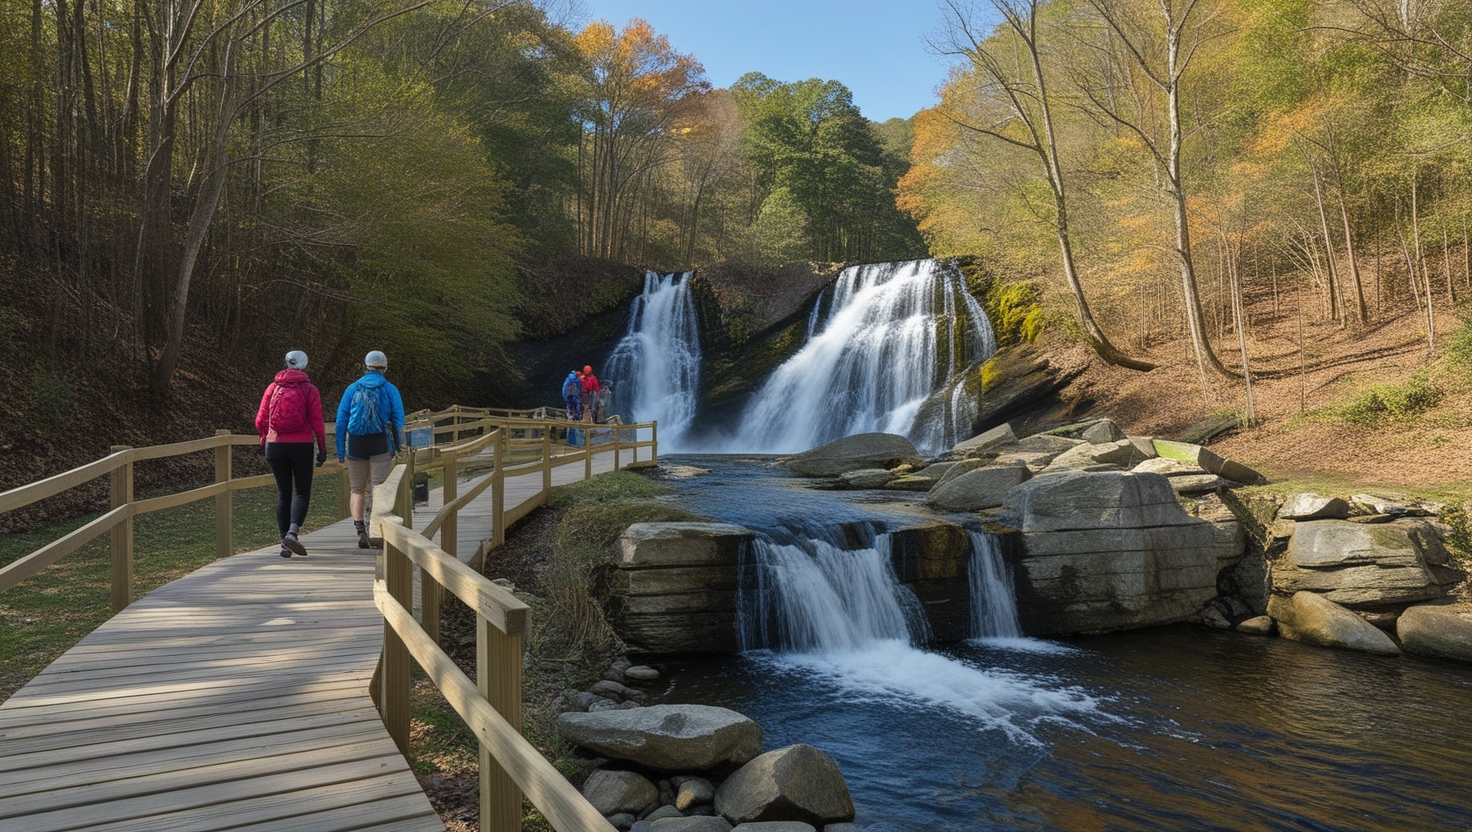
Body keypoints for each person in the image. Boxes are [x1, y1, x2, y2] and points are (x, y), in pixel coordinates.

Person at [255, 350, 327, 558]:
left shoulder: (273, 387)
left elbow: (260, 419)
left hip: (275, 444)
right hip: (301, 444)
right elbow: (317, 422)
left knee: (283, 494)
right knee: (301, 492)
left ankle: (284, 543)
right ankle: (293, 533)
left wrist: (264, 437)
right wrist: (322, 448)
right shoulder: (309, 390)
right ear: (304, 366)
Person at [336, 350, 405, 549]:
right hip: (379, 443)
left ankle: (360, 532)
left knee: (357, 489)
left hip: (356, 443)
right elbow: (399, 420)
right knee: (379, 487)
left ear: (366, 366)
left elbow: (341, 422)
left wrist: (341, 450)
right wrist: (400, 446)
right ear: (384, 366)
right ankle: (376, 530)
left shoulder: (352, 388)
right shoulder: (390, 389)